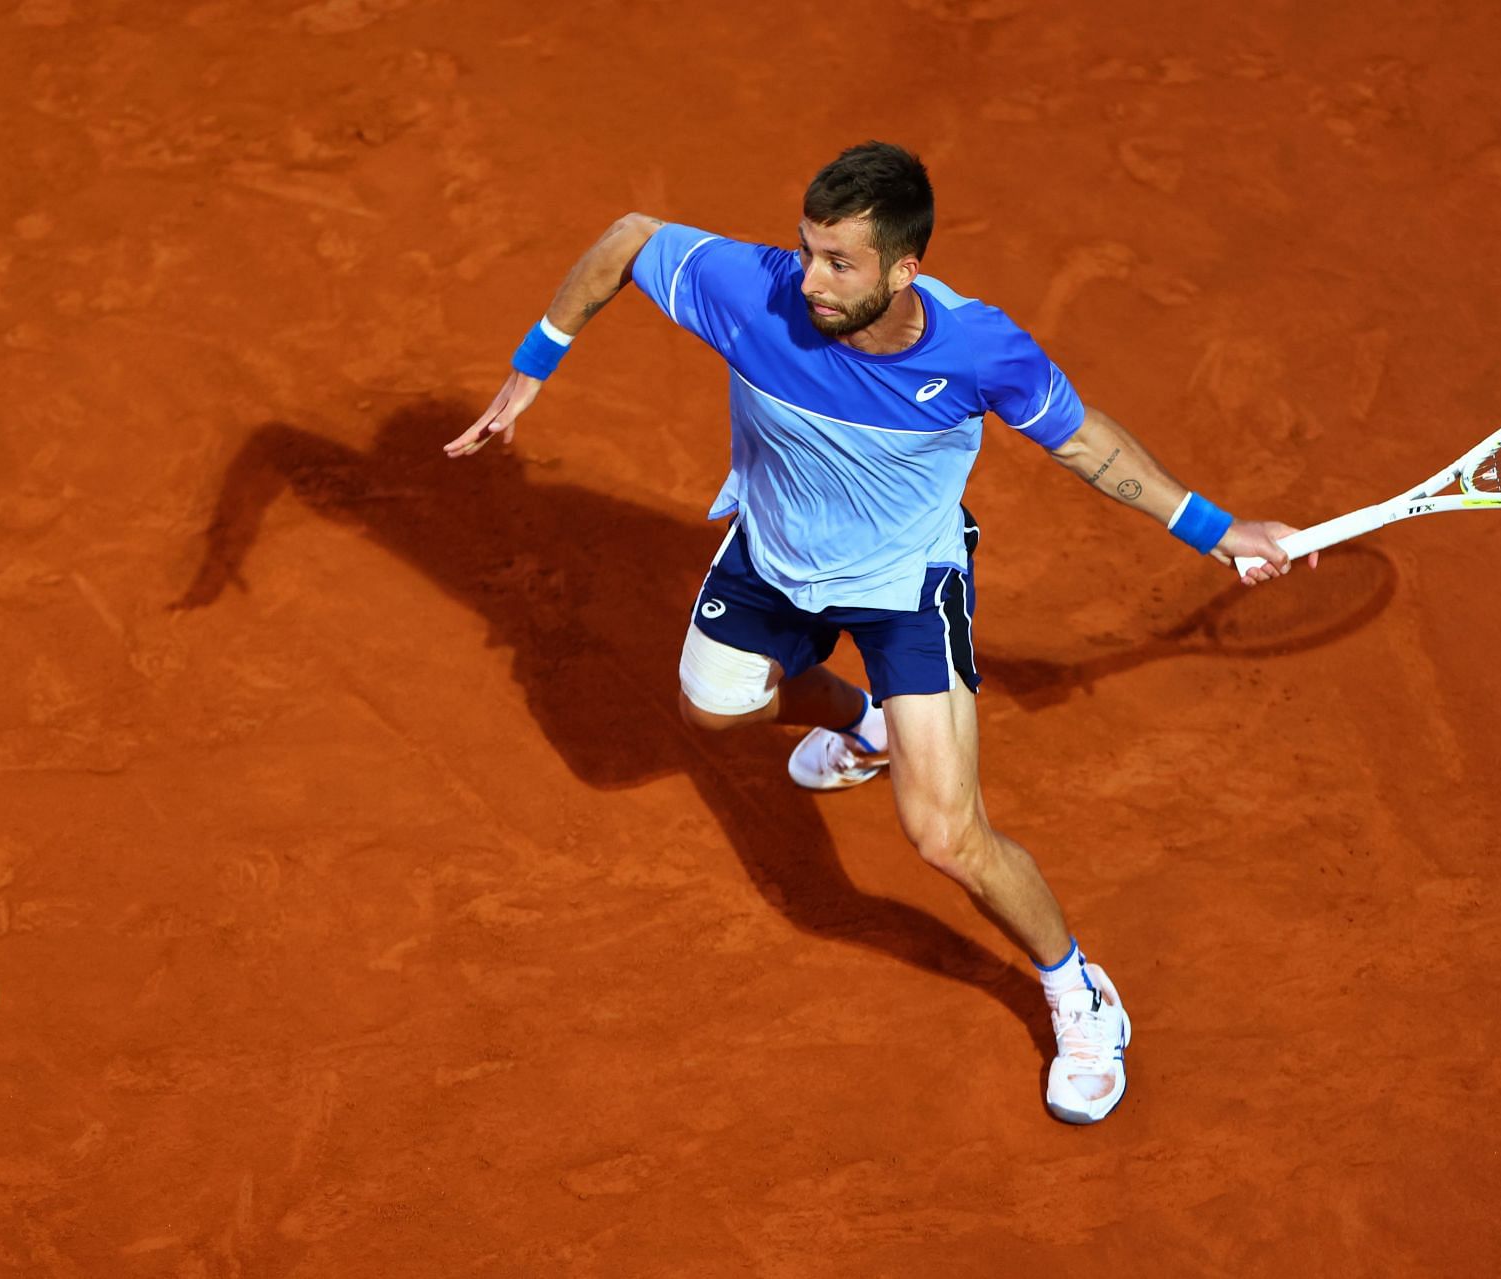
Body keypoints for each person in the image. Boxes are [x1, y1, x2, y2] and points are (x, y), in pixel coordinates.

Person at [444, 141, 1309, 1124]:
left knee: (946, 836)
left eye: (839, 263)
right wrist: (533, 364)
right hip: (771, 560)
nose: (807, 280)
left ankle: (1077, 989)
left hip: (904, 585)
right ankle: (867, 723)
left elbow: (1086, 441)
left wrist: (1216, 528)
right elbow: (628, 240)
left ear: (905, 269)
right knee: (713, 711)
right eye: (806, 250)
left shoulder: (982, 351)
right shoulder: (754, 288)